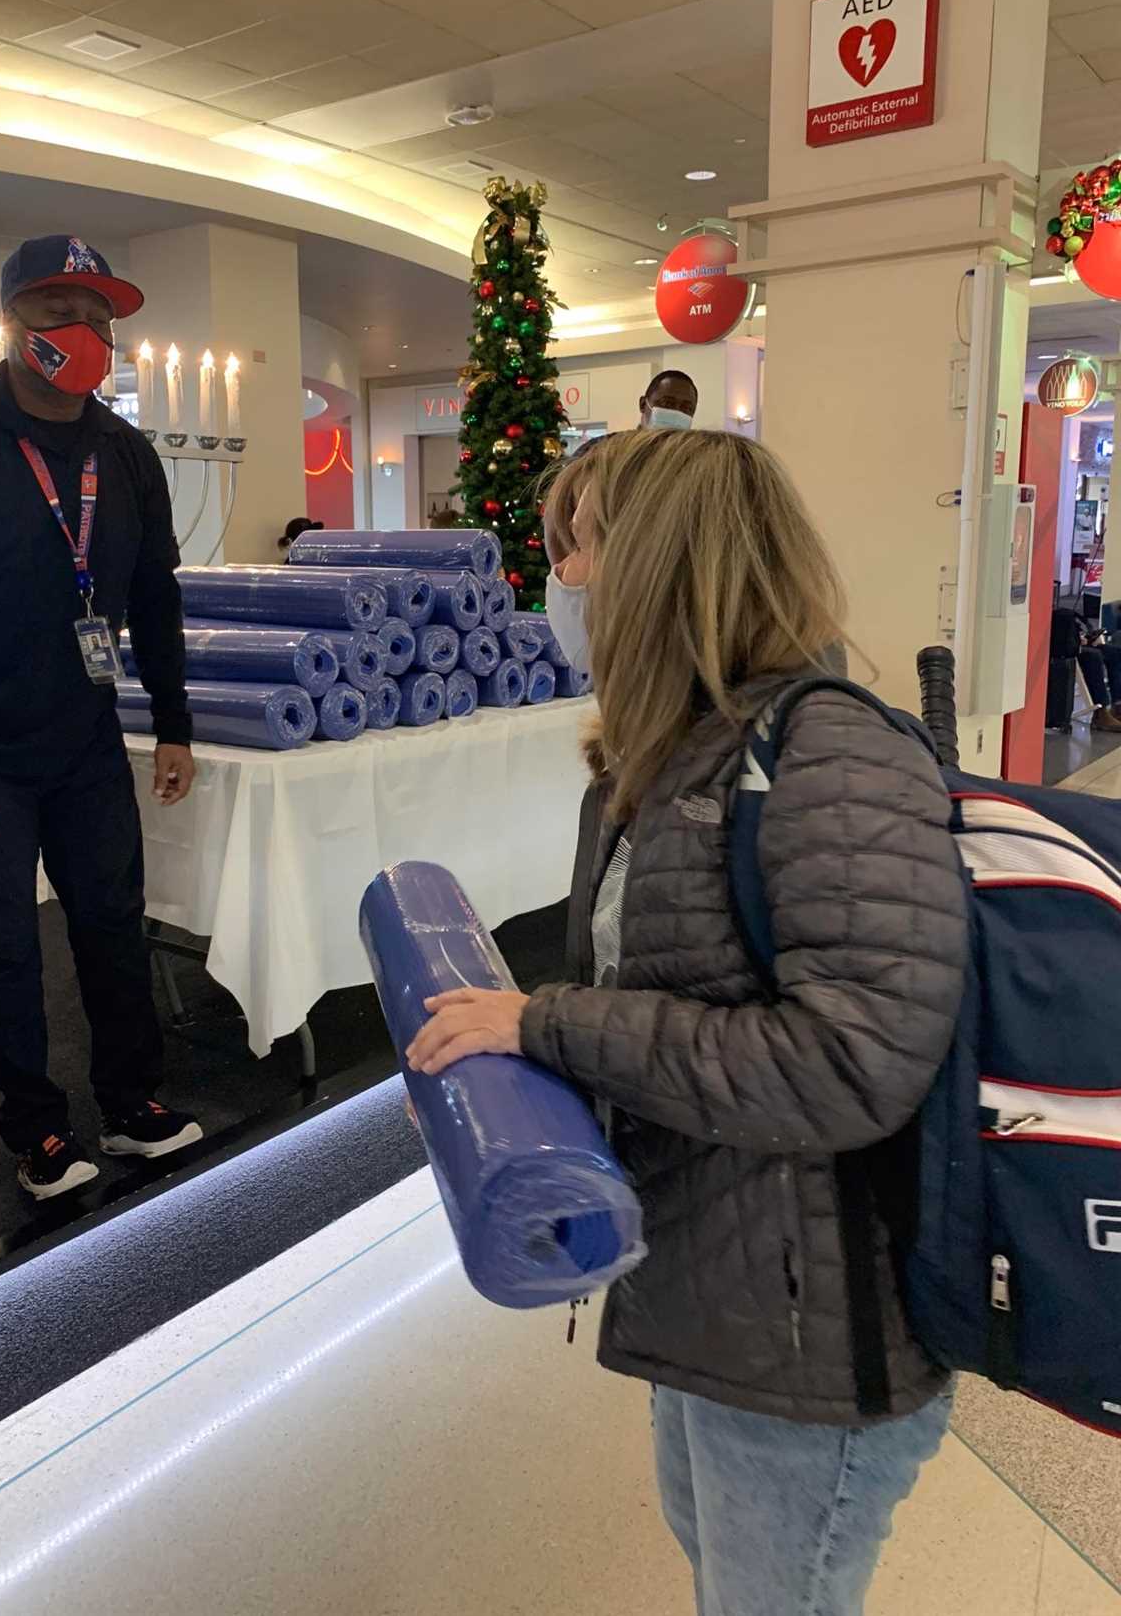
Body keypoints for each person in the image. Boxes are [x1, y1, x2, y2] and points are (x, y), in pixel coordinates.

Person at [408, 428, 970, 1615]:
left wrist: (548, 1028)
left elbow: (845, 1064)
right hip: (719, 1292)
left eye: (577, 553)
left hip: (813, 1335)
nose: (558, 586)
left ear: (661, 560)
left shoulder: (824, 753)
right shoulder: (673, 757)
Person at [0, 235, 203, 1201]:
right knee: (3, 948)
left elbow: (156, 597)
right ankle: (39, 1128)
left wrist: (175, 723)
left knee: (111, 924)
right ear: (16, 321)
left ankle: (131, 1101)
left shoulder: (126, 450)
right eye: (64, 310)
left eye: (102, 315)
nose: (89, 331)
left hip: (86, 742)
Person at [1074, 616, 1121, 732]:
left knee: (1116, 653)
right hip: (1065, 646)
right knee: (1093, 656)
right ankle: (1101, 713)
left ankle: (1118, 705)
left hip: (1078, 640)